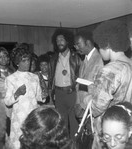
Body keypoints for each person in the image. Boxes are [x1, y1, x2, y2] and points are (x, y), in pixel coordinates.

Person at [79, 20, 132, 149]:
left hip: (109, 131)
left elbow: (97, 107)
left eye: (99, 46)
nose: (98, 49)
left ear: (107, 44)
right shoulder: (129, 64)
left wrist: (86, 98)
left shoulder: (109, 70)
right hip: (126, 128)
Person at [4, 47, 43, 149]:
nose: (27, 63)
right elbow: (7, 102)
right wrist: (17, 94)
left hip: (33, 116)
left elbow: (39, 98)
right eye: (23, 61)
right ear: (17, 62)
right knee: (18, 144)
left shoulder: (35, 77)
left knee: (34, 143)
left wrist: (43, 96)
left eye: (29, 60)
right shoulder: (10, 79)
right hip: (19, 118)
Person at [49, 28, 81, 138]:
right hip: (58, 94)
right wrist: (51, 93)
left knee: (74, 123)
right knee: (61, 124)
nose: (59, 42)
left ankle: (75, 145)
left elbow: (80, 76)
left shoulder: (76, 57)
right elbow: (50, 78)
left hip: (72, 93)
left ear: (68, 41)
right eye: (57, 41)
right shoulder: (53, 59)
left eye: (62, 40)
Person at [74, 31, 104, 119]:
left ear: (88, 43)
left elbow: (100, 90)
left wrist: (83, 106)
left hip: (93, 110)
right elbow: (80, 85)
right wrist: (78, 103)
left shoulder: (100, 60)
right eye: (75, 45)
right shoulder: (84, 61)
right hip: (83, 108)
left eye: (78, 44)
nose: (76, 47)